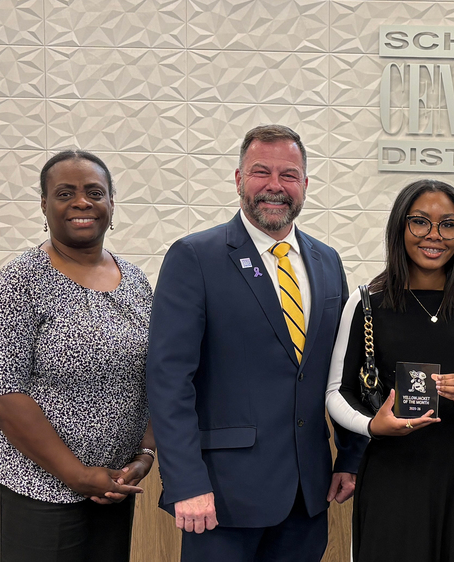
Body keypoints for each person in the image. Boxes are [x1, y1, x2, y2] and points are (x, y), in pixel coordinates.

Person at [146, 124, 367, 562]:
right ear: (238, 179)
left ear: (305, 184)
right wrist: (186, 482)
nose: (274, 186)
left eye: (288, 175)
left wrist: (349, 456)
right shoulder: (195, 257)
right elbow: (169, 380)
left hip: (307, 495)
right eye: (260, 172)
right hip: (221, 498)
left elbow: (340, 372)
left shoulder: (327, 262)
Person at [0, 150, 155, 562]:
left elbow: (153, 373)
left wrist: (144, 454)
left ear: (112, 203)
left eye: (95, 192)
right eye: (65, 193)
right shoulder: (19, 282)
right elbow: (1, 392)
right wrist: (76, 475)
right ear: (44, 204)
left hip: (112, 485)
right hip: (35, 486)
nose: (82, 202)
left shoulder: (136, 281)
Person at [326, 179, 454, 562]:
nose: (435, 235)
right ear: (400, 227)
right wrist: (370, 426)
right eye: (420, 222)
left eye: (448, 224)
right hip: (392, 472)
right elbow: (336, 392)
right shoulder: (367, 303)